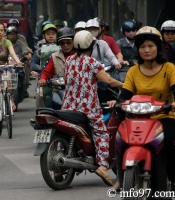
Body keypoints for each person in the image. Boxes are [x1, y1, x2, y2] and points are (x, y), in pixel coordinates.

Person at [113, 26, 175, 193]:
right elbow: (124, 94)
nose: (146, 50)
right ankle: (121, 178)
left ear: (158, 47)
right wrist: (118, 103)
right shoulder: (133, 71)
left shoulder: (169, 68)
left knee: (168, 140)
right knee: (119, 138)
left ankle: (171, 178)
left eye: (150, 46)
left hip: (164, 115)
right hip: (137, 118)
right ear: (137, 50)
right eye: (142, 47)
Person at [62, 30, 122, 186]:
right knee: (102, 133)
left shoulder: (68, 60)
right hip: (88, 107)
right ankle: (102, 165)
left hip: (68, 106)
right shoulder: (92, 62)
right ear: (92, 45)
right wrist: (125, 85)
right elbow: (108, 80)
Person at [38, 27, 75, 108]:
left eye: (68, 42)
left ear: (73, 42)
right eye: (62, 43)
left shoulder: (79, 56)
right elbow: (45, 72)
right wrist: (42, 79)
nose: (66, 45)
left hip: (77, 90)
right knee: (47, 109)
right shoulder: (54, 57)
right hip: (58, 91)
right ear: (59, 44)